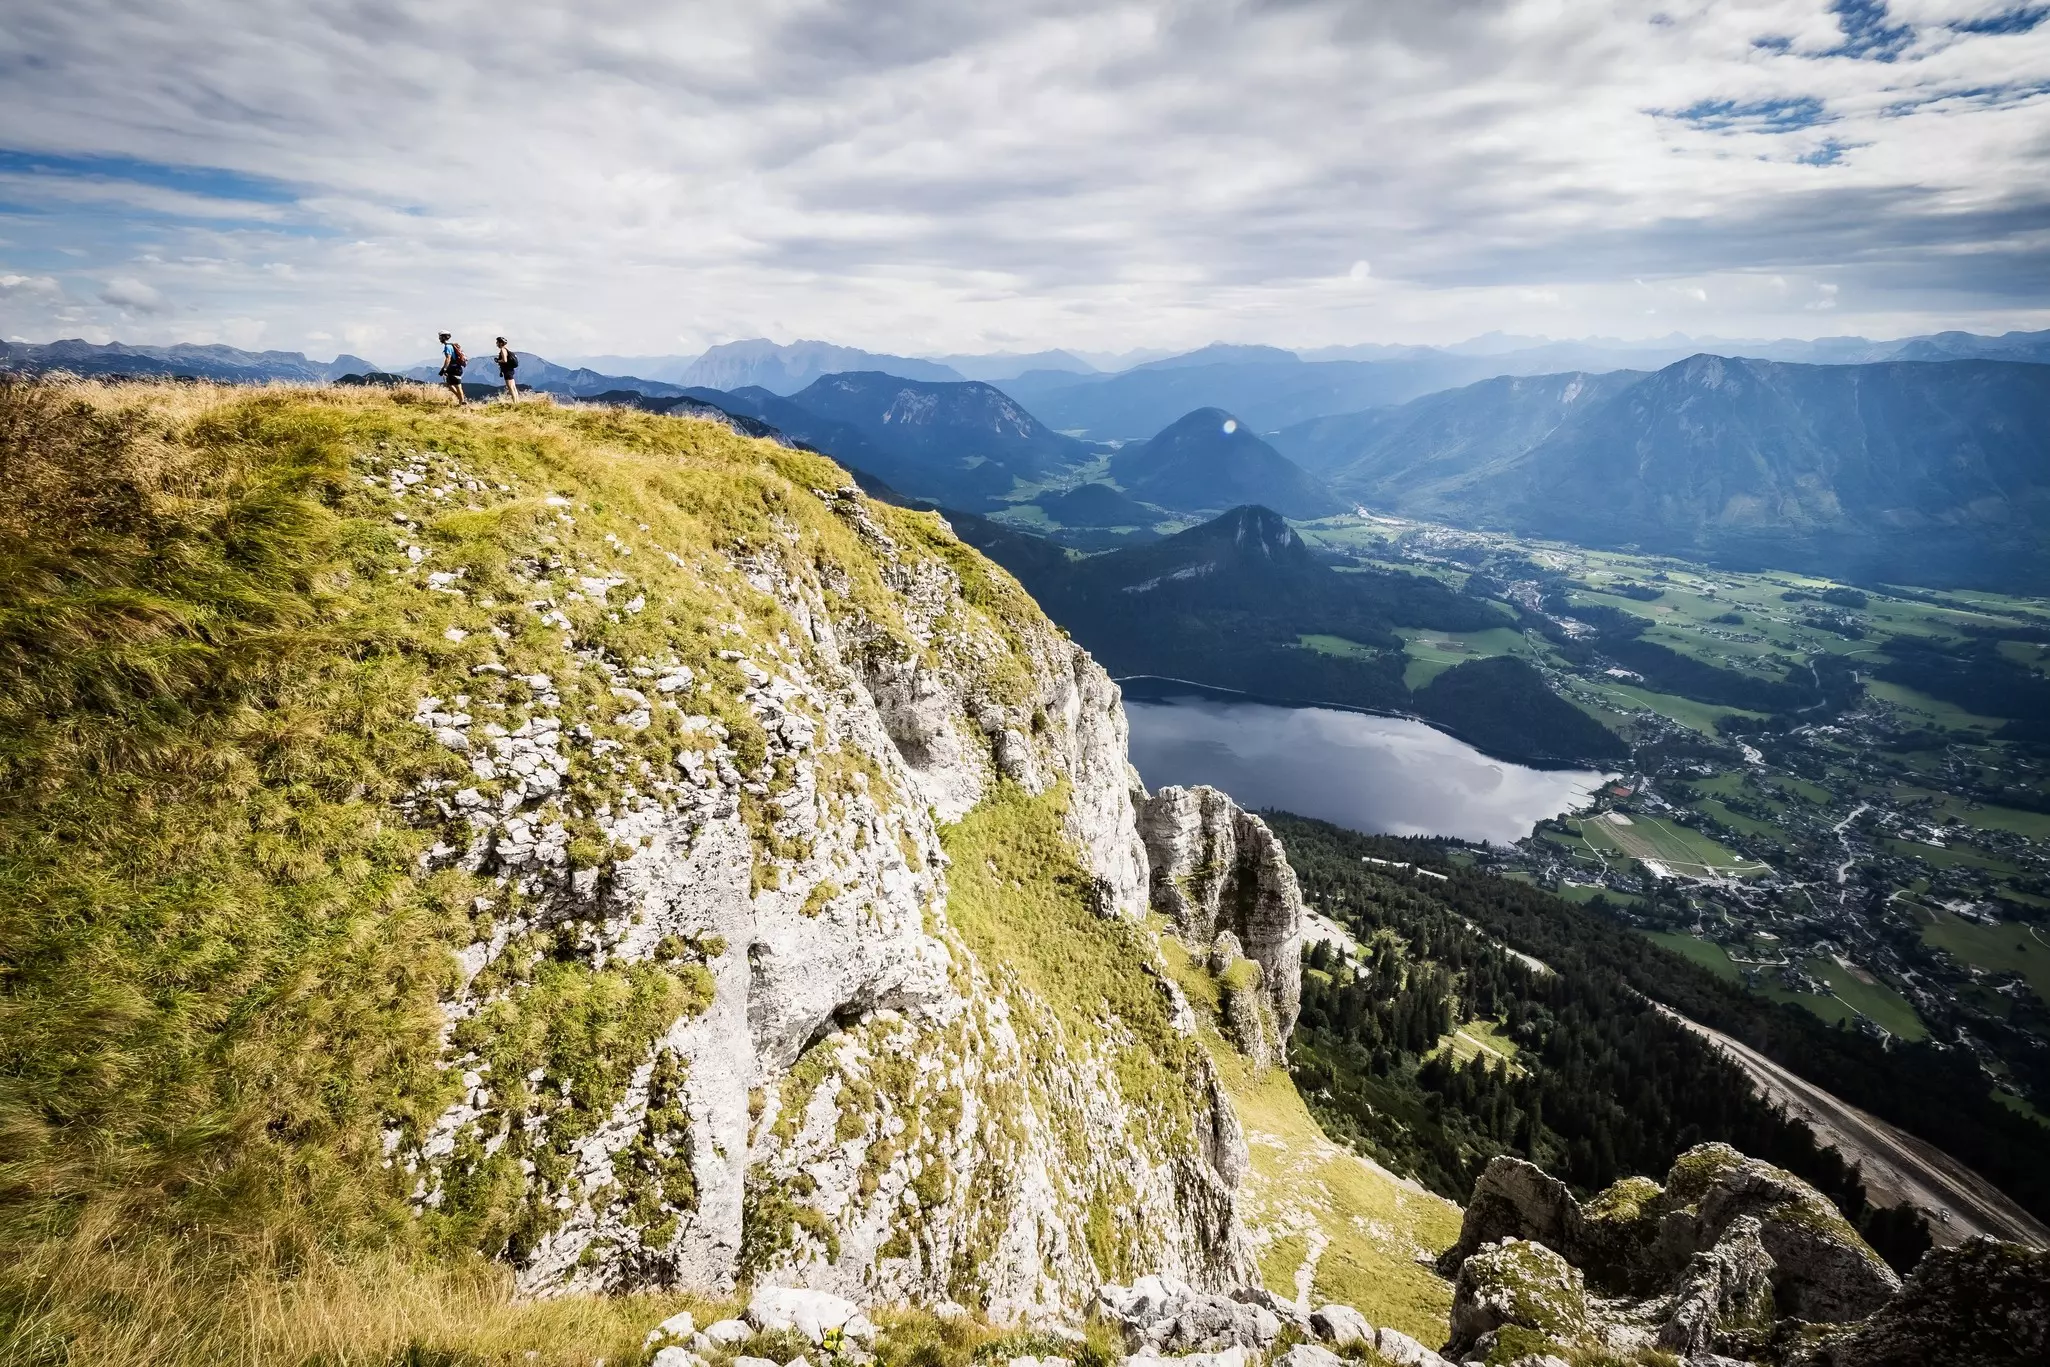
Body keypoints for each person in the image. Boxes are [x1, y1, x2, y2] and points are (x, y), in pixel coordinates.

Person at [437, 331, 467, 405]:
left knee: (455, 386)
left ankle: (461, 401)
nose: (439, 338)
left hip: (453, 368)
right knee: (451, 385)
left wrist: (444, 369)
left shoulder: (447, 346)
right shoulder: (452, 345)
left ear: (444, 337)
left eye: (440, 337)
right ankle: (461, 400)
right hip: (457, 368)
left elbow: (448, 358)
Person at [494, 336, 520, 402]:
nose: (496, 344)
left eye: (497, 342)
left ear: (501, 343)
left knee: (510, 387)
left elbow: (505, 360)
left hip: (507, 371)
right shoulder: (506, 350)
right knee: (513, 387)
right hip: (510, 370)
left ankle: (515, 403)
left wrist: (498, 360)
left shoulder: (503, 350)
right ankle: (517, 402)